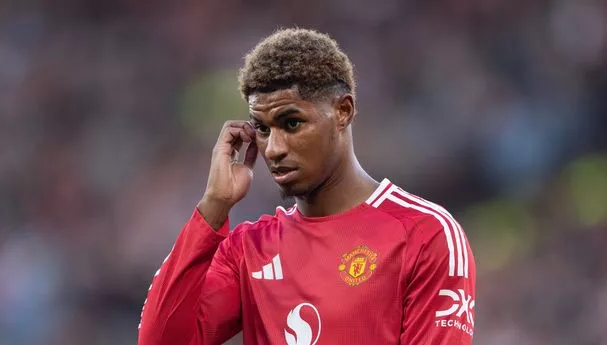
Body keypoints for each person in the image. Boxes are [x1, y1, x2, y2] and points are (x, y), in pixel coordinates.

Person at [137, 28, 476, 345]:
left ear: (343, 111)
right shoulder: (249, 249)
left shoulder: (425, 233)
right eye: (263, 129)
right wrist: (213, 205)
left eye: (292, 123)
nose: (273, 148)